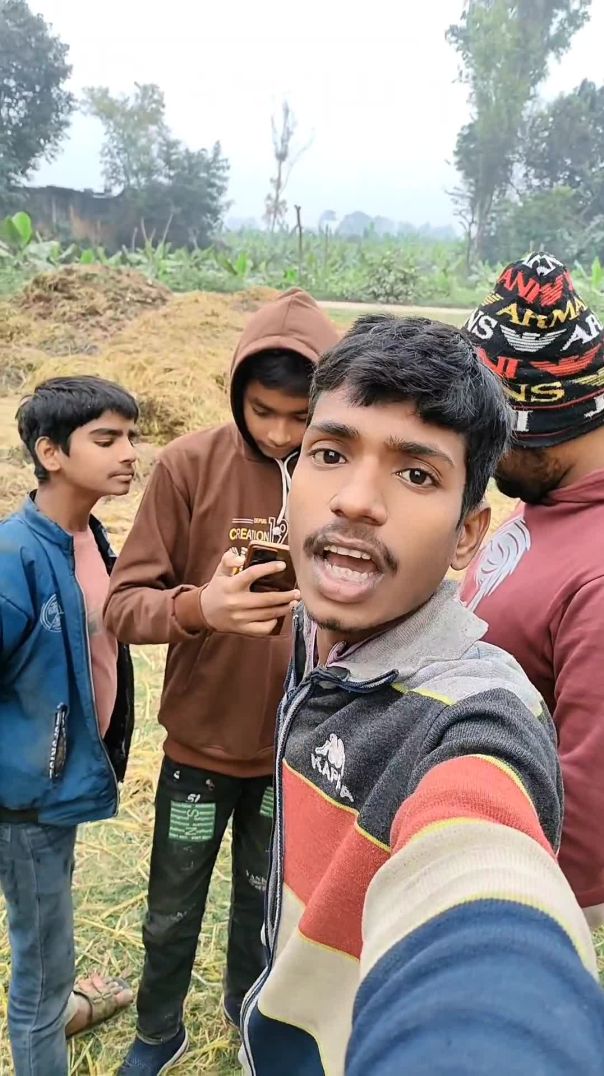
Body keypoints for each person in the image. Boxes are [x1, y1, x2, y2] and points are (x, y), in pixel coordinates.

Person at [238, 315, 600, 1075]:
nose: (356, 500)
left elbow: (478, 857)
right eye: (330, 454)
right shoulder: (316, 629)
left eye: (416, 474)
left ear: (469, 536)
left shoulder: (476, 714)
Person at [104, 288, 339, 1075]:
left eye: (299, 416)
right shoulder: (188, 466)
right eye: (262, 410)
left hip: (291, 753)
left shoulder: (339, 479)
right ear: (236, 389)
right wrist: (201, 607)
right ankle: (157, 1032)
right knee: (172, 908)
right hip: (199, 752)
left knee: (265, 908)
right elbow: (123, 605)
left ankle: (249, 1020)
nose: (279, 433)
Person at [460, 252, 604, 925]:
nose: (482, 460)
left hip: (516, 890)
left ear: (542, 430)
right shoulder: (551, 498)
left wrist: (518, 915)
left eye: (493, 443)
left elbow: (591, 793)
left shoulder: (597, 578)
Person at [0, 376, 138, 1076]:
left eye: (131, 437)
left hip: (59, 782)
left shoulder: (86, 534)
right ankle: (46, 1032)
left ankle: (64, 1015)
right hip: (25, 800)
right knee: (43, 965)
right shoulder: (14, 559)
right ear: (50, 453)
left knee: (50, 919)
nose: (129, 453)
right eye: (107, 439)